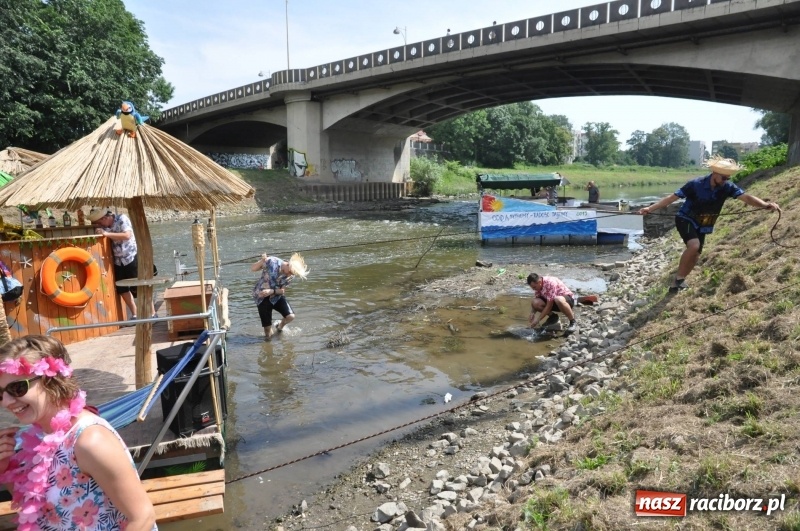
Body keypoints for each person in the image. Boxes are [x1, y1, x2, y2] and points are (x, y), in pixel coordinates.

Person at [0, 335, 157, 530]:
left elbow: (143, 517)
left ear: (51, 379)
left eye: (17, 387)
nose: (6, 401)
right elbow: (36, 509)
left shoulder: (90, 441)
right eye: (0, 393)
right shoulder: (37, 437)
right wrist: (4, 468)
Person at [638, 156, 780, 292]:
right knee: (694, 245)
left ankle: (680, 280)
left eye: (727, 178)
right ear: (714, 174)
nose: (725, 180)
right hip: (685, 218)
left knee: (696, 255)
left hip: (704, 223)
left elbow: (747, 198)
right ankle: (676, 279)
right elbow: (671, 199)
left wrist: (764, 205)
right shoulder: (695, 184)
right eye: (723, 177)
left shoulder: (727, 187)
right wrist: (649, 209)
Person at [89, 208, 156, 319]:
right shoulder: (104, 227)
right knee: (122, 289)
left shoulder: (122, 219)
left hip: (131, 256)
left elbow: (127, 235)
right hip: (118, 260)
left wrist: (106, 233)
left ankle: (152, 313)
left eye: (99, 222)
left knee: (141, 286)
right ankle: (135, 314)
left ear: (105, 218)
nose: (99, 225)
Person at [251, 253, 309, 340]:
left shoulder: (290, 275)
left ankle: (280, 327)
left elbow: (282, 291)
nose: (290, 275)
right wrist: (262, 261)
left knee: (290, 316)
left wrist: (272, 291)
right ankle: (268, 344)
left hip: (276, 296)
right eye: (290, 272)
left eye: (292, 273)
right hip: (262, 296)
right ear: (288, 264)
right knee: (267, 330)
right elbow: (253, 268)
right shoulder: (271, 261)